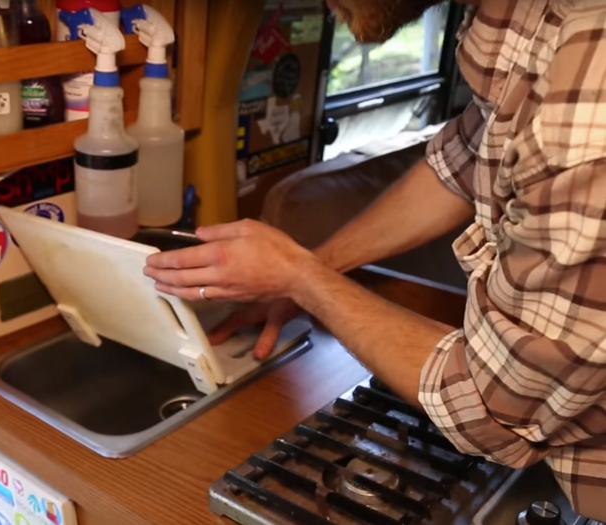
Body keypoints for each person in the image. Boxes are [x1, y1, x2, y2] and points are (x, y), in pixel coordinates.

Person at [145, 0, 606, 519]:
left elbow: (493, 406)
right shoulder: (524, 23)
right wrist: (311, 268)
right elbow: (465, 159)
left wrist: (301, 277)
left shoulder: (586, 89)